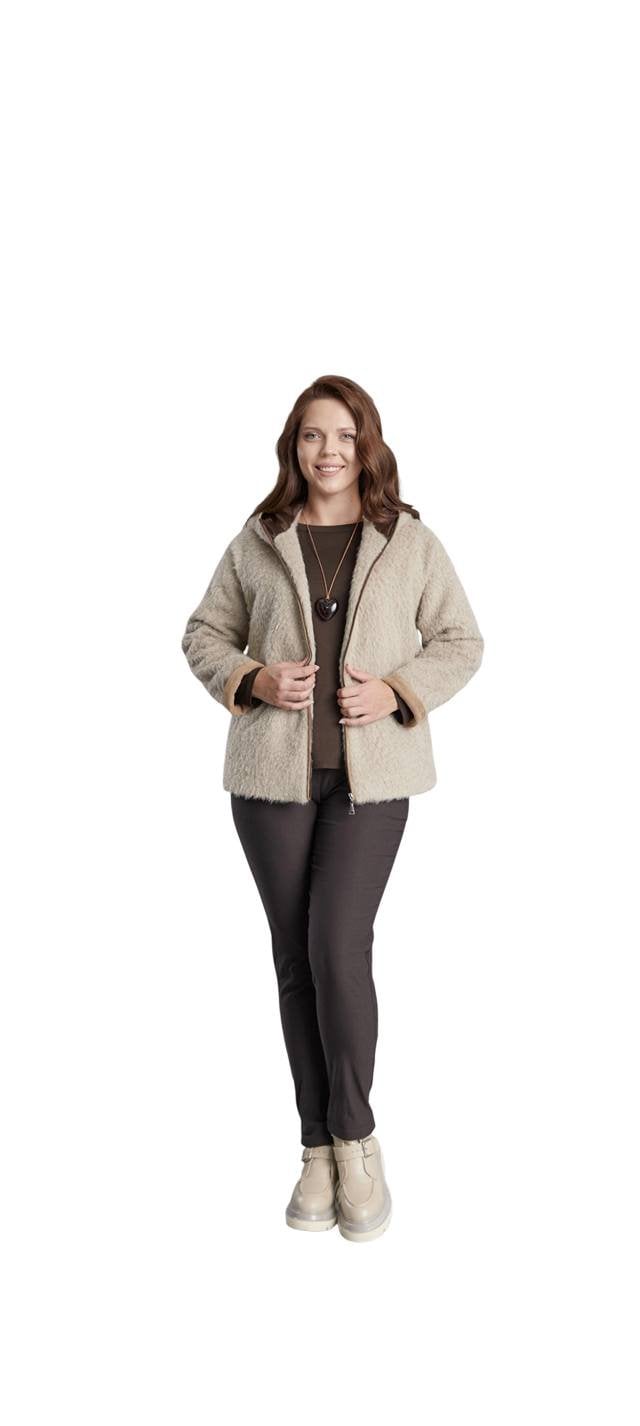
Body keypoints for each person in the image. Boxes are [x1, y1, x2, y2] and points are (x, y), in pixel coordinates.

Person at [181, 374, 484, 1242]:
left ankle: (356, 1138)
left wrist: (394, 690)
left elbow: (461, 641)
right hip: (269, 784)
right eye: (313, 436)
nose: (329, 451)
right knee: (294, 960)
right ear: (294, 446)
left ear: (367, 445)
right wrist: (252, 678)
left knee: (336, 948)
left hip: (370, 784)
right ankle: (314, 1149)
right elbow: (203, 633)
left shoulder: (408, 542)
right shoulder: (259, 538)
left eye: (345, 436)